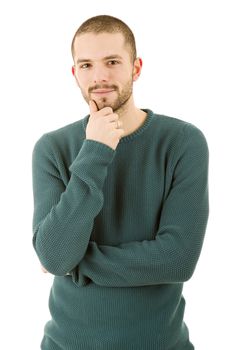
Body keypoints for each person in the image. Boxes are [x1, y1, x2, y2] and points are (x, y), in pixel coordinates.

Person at [32, 15, 209, 350]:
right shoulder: (52, 148)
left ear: (136, 68)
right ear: (75, 73)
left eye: (112, 62)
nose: (99, 76)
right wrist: (96, 150)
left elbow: (178, 259)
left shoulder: (183, 142)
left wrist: (77, 262)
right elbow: (56, 259)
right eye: (86, 65)